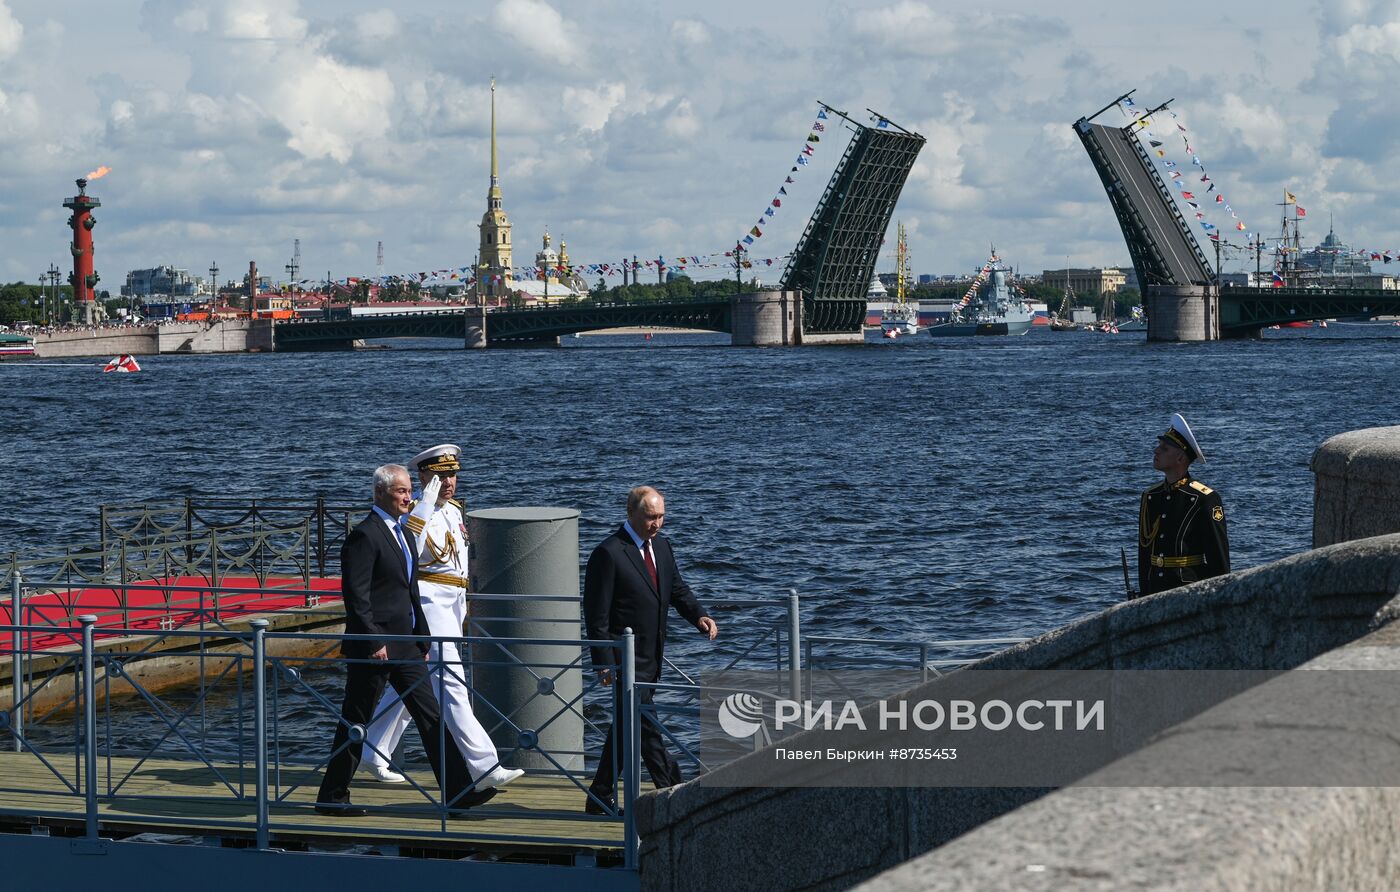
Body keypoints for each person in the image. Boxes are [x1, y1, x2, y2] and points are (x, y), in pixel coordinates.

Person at [315, 464, 496, 817]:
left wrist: (423, 638)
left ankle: (458, 793)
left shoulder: (401, 532)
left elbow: (410, 591)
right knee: (355, 721)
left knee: (430, 717)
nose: (408, 497)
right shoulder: (365, 536)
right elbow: (357, 596)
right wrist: (373, 640)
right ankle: (332, 796)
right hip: (377, 648)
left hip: (407, 645)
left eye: (409, 490)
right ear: (380, 493)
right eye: (401, 491)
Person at [358, 444, 523, 792]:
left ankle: (373, 748)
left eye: (452, 475)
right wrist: (424, 506)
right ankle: (484, 765)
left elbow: (458, 564)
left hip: (453, 603)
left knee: (417, 684)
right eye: (440, 476)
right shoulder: (414, 512)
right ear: (423, 477)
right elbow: (406, 550)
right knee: (452, 683)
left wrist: (464, 606)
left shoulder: (454, 512)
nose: (448, 482)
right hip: (429, 604)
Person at [583, 486, 718, 815]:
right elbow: (596, 614)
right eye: (650, 517)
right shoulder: (610, 552)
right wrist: (603, 662)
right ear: (631, 514)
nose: (657, 523)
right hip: (622, 659)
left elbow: (676, 589)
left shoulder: (662, 546)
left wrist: (698, 615)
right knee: (645, 727)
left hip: (653, 654)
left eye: (661, 516)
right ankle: (675, 792)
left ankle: (599, 797)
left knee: (626, 727)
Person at [1137, 413, 1230, 597]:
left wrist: (1219, 599)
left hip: (1188, 590)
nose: (1156, 451)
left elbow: (1218, 561)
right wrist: (1143, 594)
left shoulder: (1205, 498)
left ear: (1180, 458)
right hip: (1154, 590)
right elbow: (1145, 555)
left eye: (1164, 448)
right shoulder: (1150, 496)